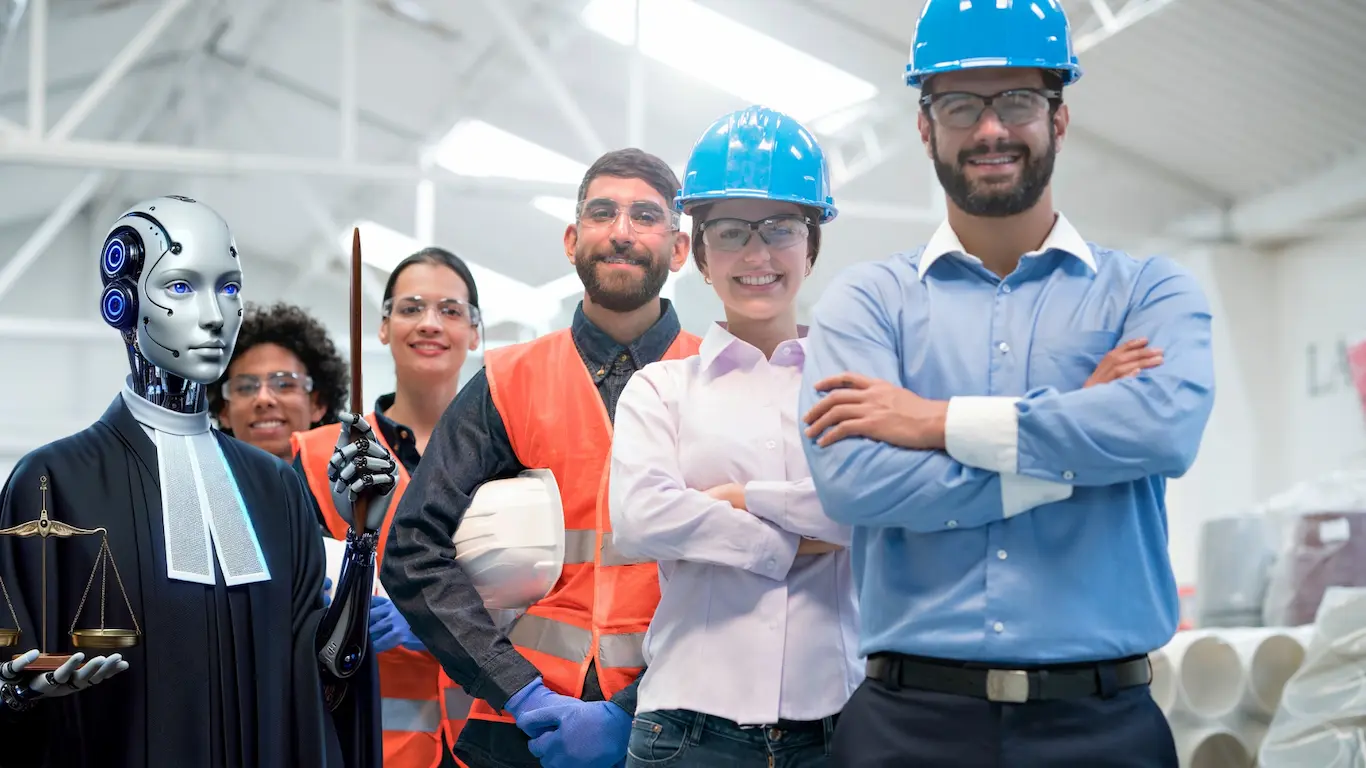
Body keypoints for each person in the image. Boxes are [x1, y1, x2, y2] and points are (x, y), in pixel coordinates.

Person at [796, 2, 1215, 766]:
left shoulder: (1150, 291)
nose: (991, 130)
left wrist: (935, 421)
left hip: (1104, 730)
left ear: (1060, 118)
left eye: (1018, 100)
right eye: (960, 104)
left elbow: (1160, 428)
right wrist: (1074, 449)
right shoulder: (867, 303)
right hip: (904, 730)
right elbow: (854, 481)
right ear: (925, 126)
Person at [0, 195, 383, 767]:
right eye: (181, 287)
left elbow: (323, 687)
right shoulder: (54, 481)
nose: (214, 314)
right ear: (123, 303)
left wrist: (360, 542)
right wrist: (20, 692)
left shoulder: (274, 488)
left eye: (229, 287)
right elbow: (12, 672)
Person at [380, 148, 702, 768]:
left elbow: (746, 583)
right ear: (573, 239)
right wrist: (521, 693)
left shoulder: (718, 378)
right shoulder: (508, 379)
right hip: (523, 732)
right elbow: (414, 547)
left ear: (680, 249)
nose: (622, 232)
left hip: (678, 728)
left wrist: (631, 711)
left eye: (645, 216)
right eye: (603, 212)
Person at [608, 106, 861, 768]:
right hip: (686, 735)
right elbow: (640, 518)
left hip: (839, 731)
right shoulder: (661, 391)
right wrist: (792, 538)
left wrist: (742, 501)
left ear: (812, 244)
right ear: (699, 252)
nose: (756, 254)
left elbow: (867, 509)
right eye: (730, 231)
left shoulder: (859, 387)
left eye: (781, 228)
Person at [293, 247, 483, 768]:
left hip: (484, 742)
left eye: (450, 310)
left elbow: (539, 597)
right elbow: (293, 597)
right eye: (411, 307)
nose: (429, 323)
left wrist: (435, 622)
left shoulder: (509, 456)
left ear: (475, 332)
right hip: (367, 742)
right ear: (382, 327)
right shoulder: (316, 455)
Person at [211, 301, 349, 461]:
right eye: (246, 387)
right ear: (224, 411)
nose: (263, 399)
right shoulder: (201, 484)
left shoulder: (349, 484)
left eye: (284, 384)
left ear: (317, 404)